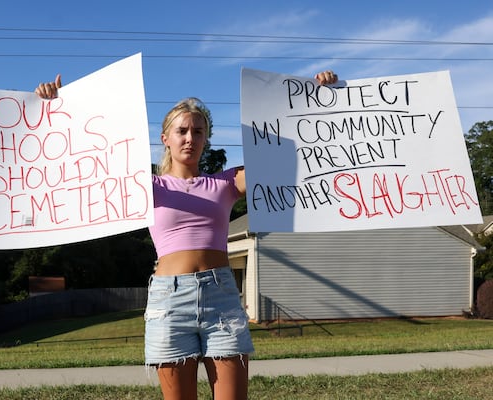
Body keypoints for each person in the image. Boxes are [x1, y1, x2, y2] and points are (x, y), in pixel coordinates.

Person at [36, 69, 338, 400]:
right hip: (169, 302)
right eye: (181, 131)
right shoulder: (146, 187)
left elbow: (278, 160)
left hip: (221, 296)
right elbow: (90, 163)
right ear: (165, 138)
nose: (189, 138)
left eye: (198, 131)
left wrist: (314, 101)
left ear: (207, 139)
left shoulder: (224, 183)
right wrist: (58, 110)